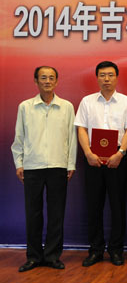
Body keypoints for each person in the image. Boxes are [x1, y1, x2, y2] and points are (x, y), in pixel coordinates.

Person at [11, 66, 77, 272]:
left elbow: (72, 137)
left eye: (51, 78)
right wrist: (19, 163)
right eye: (43, 78)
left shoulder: (66, 107)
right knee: (33, 213)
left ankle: (52, 256)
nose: (47, 81)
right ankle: (33, 256)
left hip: (58, 165)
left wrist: (70, 163)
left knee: (56, 213)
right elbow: (19, 137)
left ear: (57, 81)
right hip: (32, 166)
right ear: (36, 81)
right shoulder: (25, 107)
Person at [75, 61, 127, 267]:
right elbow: (81, 128)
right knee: (94, 206)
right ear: (97, 78)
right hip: (93, 158)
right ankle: (95, 250)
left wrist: (120, 153)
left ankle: (116, 250)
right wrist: (88, 153)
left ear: (117, 77)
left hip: (117, 158)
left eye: (110, 75)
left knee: (118, 206)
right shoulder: (87, 101)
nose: (106, 79)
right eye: (102, 75)